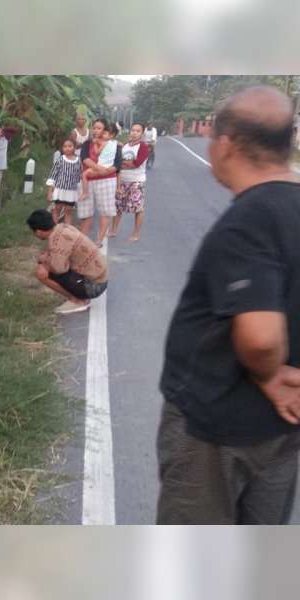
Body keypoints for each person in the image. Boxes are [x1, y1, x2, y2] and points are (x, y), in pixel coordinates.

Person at [157, 86, 300, 525]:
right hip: (282, 430)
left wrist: (270, 372)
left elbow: (259, 337)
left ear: (227, 143)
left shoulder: (250, 220)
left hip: (214, 427)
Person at [28, 209, 108, 315]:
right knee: (50, 262)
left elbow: (59, 269)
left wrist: (43, 261)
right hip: (101, 279)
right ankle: (78, 297)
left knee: (42, 272)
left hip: (94, 286)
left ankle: (78, 301)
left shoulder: (56, 241)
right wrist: (48, 257)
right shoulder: (63, 227)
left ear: (38, 231)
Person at [78, 119, 122, 247]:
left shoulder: (114, 145)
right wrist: (100, 169)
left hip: (107, 180)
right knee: (85, 212)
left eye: (99, 128)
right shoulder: (87, 144)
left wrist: (104, 172)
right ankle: (82, 241)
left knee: (105, 211)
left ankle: (99, 240)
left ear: (105, 131)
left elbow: (117, 164)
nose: (96, 131)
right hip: (89, 180)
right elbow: (85, 159)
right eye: (94, 128)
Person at [110, 123, 149, 241]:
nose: (134, 133)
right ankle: (114, 230)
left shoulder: (143, 146)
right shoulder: (125, 145)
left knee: (138, 208)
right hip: (121, 180)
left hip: (136, 181)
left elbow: (136, 164)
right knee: (117, 206)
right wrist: (124, 163)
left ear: (141, 133)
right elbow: (117, 162)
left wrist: (123, 163)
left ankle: (136, 233)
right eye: (133, 130)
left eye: (138, 131)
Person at [46, 139, 82, 225]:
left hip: (71, 191)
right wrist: (50, 191)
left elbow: (79, 177)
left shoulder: (78, 161)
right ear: (62, 148)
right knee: (57, 209)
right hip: (59, 190)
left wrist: (80, 192)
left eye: (70, 146)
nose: (67, 148)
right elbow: (53, 175)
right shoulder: (60, 160)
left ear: (74, 147)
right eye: (65, 146)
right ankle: (55, 229)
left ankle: (66, 231)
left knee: (68, 211)